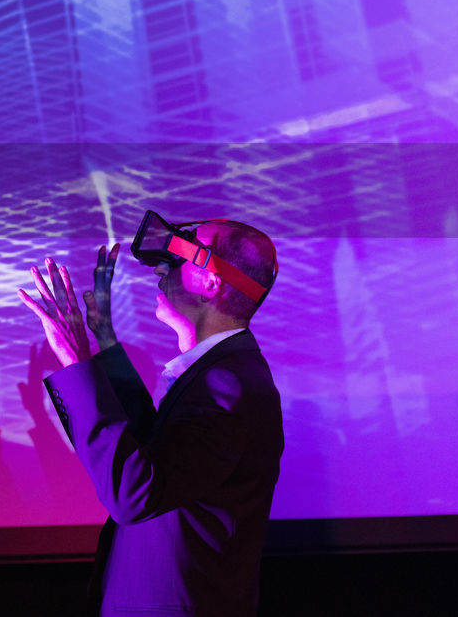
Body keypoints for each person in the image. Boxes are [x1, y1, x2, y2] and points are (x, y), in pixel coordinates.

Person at [18, 213, 283, 617]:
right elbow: (152, 452)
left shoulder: (228, 384)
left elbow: (134, 492)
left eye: (181, 256)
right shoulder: (225, 374)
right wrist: (103, 337)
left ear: (211, 284)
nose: (162, 267)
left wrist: (75, 358)